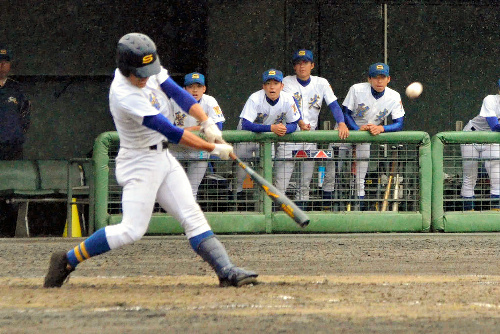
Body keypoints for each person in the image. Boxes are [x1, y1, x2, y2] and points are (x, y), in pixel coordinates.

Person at [44, 33, 257, 288]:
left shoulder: (148, 68)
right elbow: (171, 130)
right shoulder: (124, 94)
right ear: (126, 69)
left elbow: (178, 93)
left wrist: (207, 122)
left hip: (162, 157)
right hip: (139, 162)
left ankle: (226, 271)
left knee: (193, 216)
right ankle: (67, 260)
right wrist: (214, 148)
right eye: (140, 75)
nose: (145, 78)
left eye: (148, 72)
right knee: (131, 230)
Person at [322, 62, 405, 210]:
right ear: (369, 79)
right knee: (331, 175)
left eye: (382, 77)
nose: (379, 81)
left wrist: (381, 128)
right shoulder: (357, 89)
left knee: (359, 180)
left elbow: (399, 123)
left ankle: (357, 212)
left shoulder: (394, 96)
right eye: (375, 77)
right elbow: (345, 112)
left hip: (368, 134)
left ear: (388, 79)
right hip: (344, 132)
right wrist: (356, 129)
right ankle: (327, 210)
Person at [282, 49, 349, 209]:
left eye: (305, 63)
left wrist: (341, 122)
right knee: (281, 182)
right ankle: (276, 220)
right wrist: (299, 122)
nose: (302, 66)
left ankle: (301, 221)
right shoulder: (287, 82)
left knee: (304, 183)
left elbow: (334, 105)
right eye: (298, 63)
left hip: (309, 137)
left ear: (312, 65)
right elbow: (290, 107)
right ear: (294, 67)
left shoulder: (321, 83)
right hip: (289, 136)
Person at [234, 69, 300, 200]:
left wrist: (285, 129)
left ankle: (261, 204)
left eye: (275, 83)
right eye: (268, 83)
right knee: (239, 175)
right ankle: (235, 204)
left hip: (266, 140)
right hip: (246, 137)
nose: (272, 87)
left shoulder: (288, 99)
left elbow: (294, 123)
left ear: (282, 86)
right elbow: (245, 124)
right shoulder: (255, 98)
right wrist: (271, 128)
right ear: (263, 86)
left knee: (266, 175)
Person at [169, 72, 225, 200]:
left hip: (199, 149)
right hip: (177, 148)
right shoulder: (174, 101)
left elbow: (218, 128)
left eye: (198, 86)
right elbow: (167, 126)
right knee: (171, 188)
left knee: (191, 190)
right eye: (191, 86)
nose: (195, 90)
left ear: (204, 89)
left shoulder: (210, 101)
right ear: (184, 89)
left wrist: (188, 130)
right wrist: (199, 128)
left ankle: (188, 218)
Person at [460, 79, 500, 211]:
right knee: (470, 177)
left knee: (497, 177)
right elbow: (495, 126)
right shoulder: (490, 100)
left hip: (491, 140)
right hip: (471, 136)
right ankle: (468, 214)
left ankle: (496, 214)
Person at [0, 46, 31, 160]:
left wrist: (15, 134)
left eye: (5, 62)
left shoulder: (17, 88)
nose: (1, 65)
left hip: (12, 148)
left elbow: (25, 114)